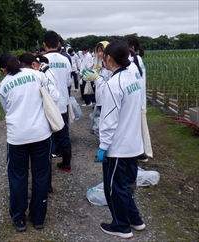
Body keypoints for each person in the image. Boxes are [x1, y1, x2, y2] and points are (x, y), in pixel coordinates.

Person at [96, 40, 146, 239]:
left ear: (109, 58)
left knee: (114, 188)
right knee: (124, 186)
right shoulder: (132, 76)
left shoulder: (114, 84)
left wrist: (103, 147)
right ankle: (136, 219)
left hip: (118, 147)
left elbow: (108, 121)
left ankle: (121, 225)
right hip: (133, 143)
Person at [0, 52, 52, 232]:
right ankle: (38, 218)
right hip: (41, 134)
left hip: (17, 137)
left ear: (3, 69)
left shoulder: (3, 85)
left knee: (18, 177)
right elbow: (50, 98)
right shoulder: (37, 75)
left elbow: (8, 110)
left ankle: (19, 218)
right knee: (40, 175)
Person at [19, 52, 60, 193]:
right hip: (41, 127)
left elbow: (55, 96)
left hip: (33, 127)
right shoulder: (43, 74)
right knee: (42, 164)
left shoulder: (42, 75)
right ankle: (43, 188)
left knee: (34, 165)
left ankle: (44, 188)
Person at [44, 30, 72, 172]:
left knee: (47, 136)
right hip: (62, 103)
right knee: (63, 133)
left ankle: (46, 166)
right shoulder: (65, 60)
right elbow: (68, 82)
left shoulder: (41, 61)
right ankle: (66, 163)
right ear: (58, 44)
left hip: (47, 106)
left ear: (44, 44)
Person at [125, 36, 148, 162]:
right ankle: (140, 151)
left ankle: (138, 153)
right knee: (138, 125)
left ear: (132, 48)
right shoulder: (138, 59)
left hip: (136, 97)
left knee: (135, 126)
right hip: (140, 97)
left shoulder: (132, 61)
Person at [83, 41, 112, 135]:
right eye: (98, 51)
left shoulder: (111, 65)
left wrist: (98, 80)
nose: (100, 54)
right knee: (101, 118)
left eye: (102, 51)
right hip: (100, 96)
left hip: (108, 97)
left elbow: (111, 82)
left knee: (108, 119)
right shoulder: (99, 65)